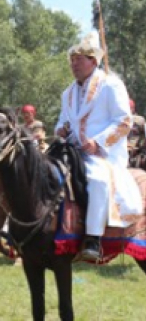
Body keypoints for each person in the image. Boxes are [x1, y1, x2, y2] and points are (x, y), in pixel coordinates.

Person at [55, 31, 143, 261]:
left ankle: (93, 239)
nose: (73, 64)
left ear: (93, 61)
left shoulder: (111, 85)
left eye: (79, 59)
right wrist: (61, 129)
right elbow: (62, 120)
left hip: (104, 155)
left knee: (97, 179)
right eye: (72, 60)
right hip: (72, 150)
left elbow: (125, 121)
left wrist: (99, 142)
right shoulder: (68, 93)